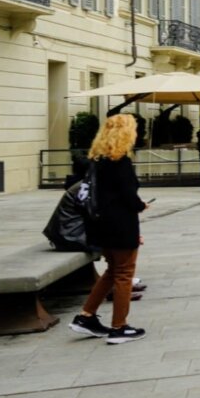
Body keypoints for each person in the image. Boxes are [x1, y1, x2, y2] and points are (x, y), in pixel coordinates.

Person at [68, 114, 149, 344]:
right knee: (124, 274)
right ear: (127, 133)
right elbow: (128, 197)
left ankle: (86, 316)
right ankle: (119, 327)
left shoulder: (97, 160)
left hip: (100, 225)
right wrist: (141, 205)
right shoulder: (120, 161)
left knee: (113, 271)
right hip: (120, 225)